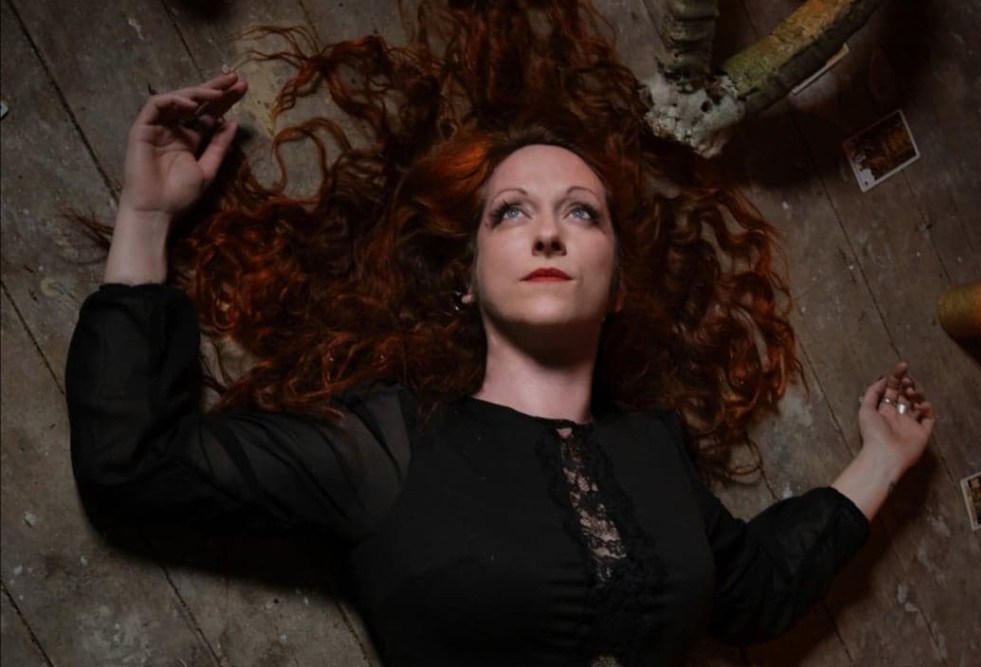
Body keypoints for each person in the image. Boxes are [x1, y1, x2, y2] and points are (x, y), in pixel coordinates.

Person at [66, 2, 935, 665]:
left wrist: (882, 459)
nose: (548, 231)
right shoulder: (388, 443)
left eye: (582, 212)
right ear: (469, 279)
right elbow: (132, 464)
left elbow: (755, 589)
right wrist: (147, 216)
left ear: (618, 284)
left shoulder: (654, 451)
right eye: (511, 212)